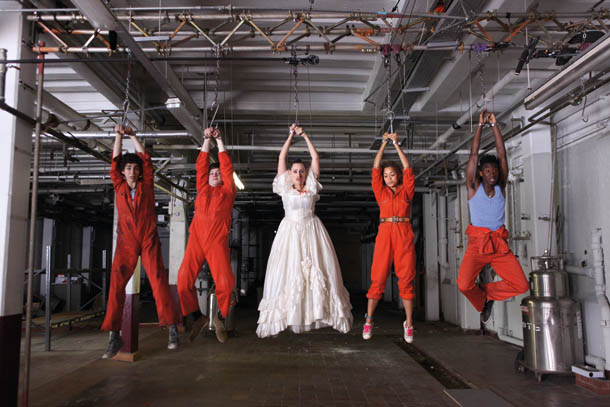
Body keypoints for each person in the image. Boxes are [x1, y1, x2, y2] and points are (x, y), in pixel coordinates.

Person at [256, 124, 353, 338]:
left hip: (312, 231)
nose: (298, 175)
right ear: (289, 174)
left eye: (301, 171)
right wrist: (290, 136)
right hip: (290, 233)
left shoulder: (311, 186)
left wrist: (305, 135)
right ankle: (288, 315)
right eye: (295, 171)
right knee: (288, 271)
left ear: (306, 173)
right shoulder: (284, 187)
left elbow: (315, 157)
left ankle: (317, 312)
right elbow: (281, 158)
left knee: (318, 270)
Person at [102, 125, 179, 359]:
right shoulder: (119, 186)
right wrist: (118, 136)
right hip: (126, 242)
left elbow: (146, 160)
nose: (133, 172)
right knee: (116, 286)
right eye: (128, 168)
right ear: (123, 172)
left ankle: (172, 328)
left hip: (148, 240)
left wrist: (133, 136)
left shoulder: (146, 186)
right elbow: (114, 161)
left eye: (135, 168)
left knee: (158, 281)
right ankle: (114, 335)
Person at [457, 109, 529, 323]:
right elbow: (473, 155)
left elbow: (502, 154)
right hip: (477, 245)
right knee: (463, 285)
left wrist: (495, 125)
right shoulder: (473, 187)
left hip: (498, 245)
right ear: (480, 173)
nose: (492, 173)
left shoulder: (500, 187)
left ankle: (487, 293)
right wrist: (480, 126)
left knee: (521, 285)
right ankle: (482, 298)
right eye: (487, 170)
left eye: (495, 170)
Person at [177, 127, 236, 343]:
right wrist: (206, 140)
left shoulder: (228, 192)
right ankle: (197, 317)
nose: (215, 175)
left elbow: (227, 168)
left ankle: (220, 318)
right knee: (183, 281)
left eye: (218, 173)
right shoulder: (202, 188)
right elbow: (201, 165)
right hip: (196, 240)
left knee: (225, 283)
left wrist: (219, 141)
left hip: (216, 241)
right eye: (212, 173)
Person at [362, 132, 416, 343]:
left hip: (403, 232)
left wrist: (396, 144)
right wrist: (383, 144)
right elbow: (375, 169)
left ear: (398, 176)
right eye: (386, 176)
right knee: (378, 278)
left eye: (392, 174)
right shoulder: (381, 192)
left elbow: (408, 168)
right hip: (385, 234)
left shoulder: (406, 191)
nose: (389, 178)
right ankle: (369, 319)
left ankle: (409, 324)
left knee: (407, 278)